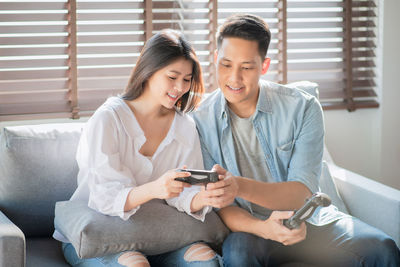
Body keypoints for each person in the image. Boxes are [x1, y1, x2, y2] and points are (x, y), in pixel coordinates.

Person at [193, 14, 400, 267]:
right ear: (215, 59)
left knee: (382, 248)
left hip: (312, 221)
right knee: (238, 254)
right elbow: (221, 205)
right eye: (226, 65)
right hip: (253, 229)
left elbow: (301, 194)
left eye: (246, 67)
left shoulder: (302, 107)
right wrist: (264, 228)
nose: (234, 78)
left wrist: (237, 185)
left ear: (264, 66)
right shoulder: (200, 119)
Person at [53, 29, 221, 267]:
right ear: (149, 71)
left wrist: (204, 196)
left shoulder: (184, 125)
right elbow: (105, 197)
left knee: (206, 261)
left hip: (158, 235)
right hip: (102, 235)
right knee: (135, 264)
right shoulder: (108, 119)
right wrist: (155, 189)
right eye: (172, 77)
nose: (180, 87)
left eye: (186, 79)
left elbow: (183, 194)